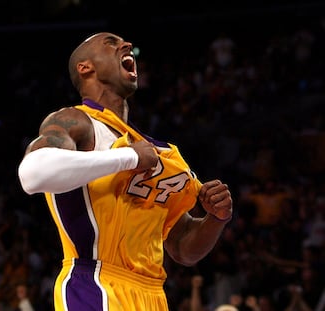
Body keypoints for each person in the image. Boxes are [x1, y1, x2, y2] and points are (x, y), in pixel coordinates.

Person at [18, 32, 233, 311]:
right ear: (86, 67)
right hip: (95, 281)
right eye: (110, 42)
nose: (126, 44)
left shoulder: (160, 153)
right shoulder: (76, 121)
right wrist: (128, 157)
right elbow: (32, 174)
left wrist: (215, 219)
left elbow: (182, 248)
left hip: (153, 294)